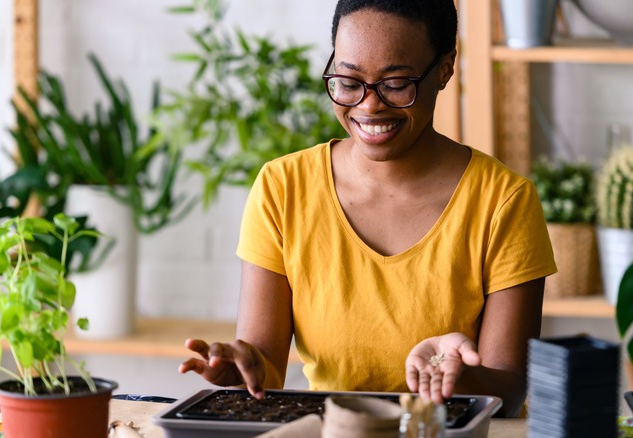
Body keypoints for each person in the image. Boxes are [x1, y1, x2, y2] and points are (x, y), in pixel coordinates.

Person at [179, 0, 556, 417]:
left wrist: (452, 377)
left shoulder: (503, 202)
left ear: (446, 67)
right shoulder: (283, 188)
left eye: (396, 83)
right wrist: (241, 368)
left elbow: (509, 391)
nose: (369, 105)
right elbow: (265, 365)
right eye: (348, 80)